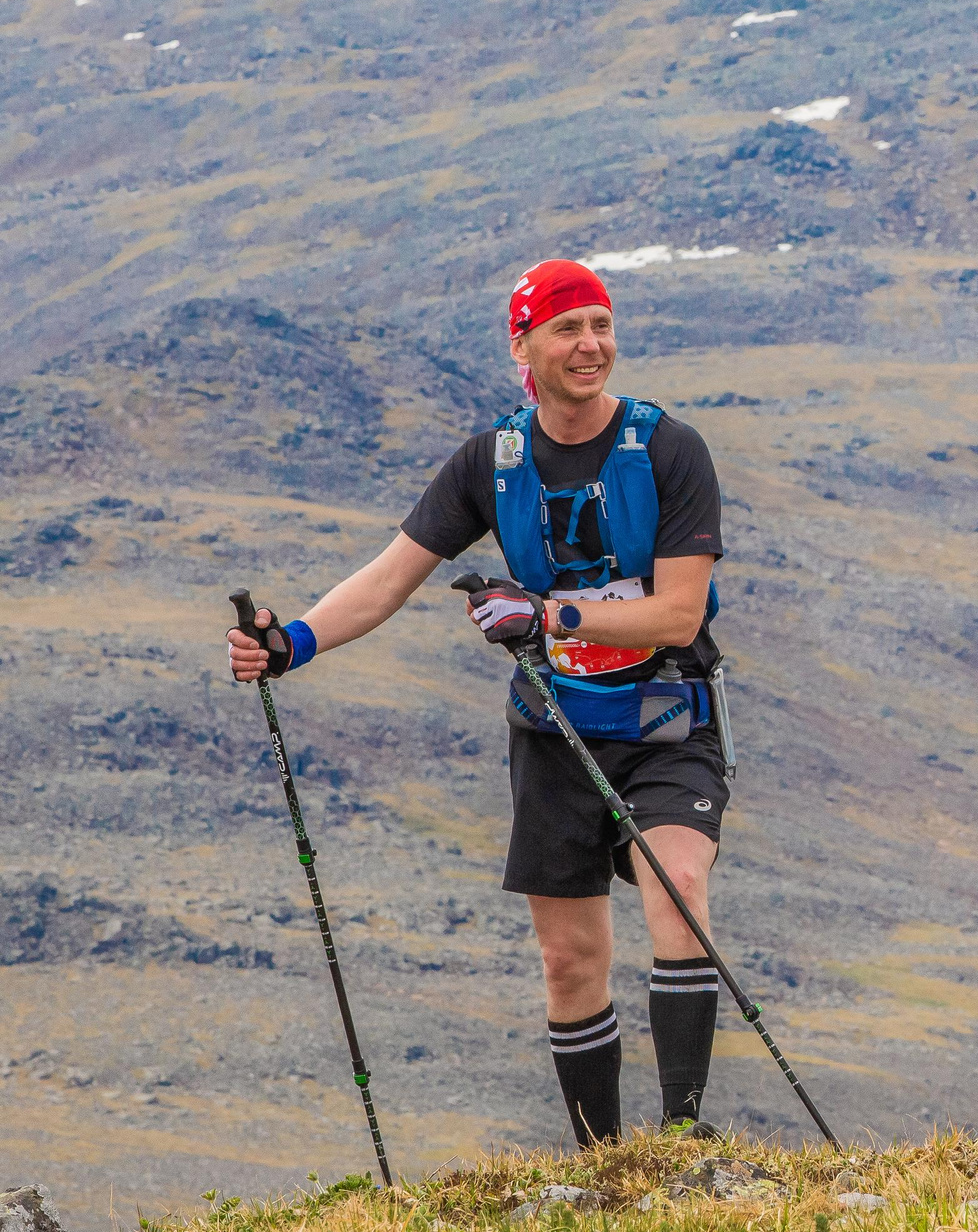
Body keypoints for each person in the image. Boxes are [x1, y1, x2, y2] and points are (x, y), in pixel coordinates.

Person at [227, 259, 731, 1147]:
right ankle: (609, 1168)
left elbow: (679, 611)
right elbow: (389, 578)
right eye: (568, 329)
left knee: (679, 884)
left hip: (666, 714)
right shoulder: (492, 462)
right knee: (568, 960)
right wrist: (292, 643)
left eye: (602, 326)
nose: (591, 345)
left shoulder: (667, 449)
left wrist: (547, 610)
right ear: (523, 347)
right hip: (554, 724)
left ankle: (685, 1146)